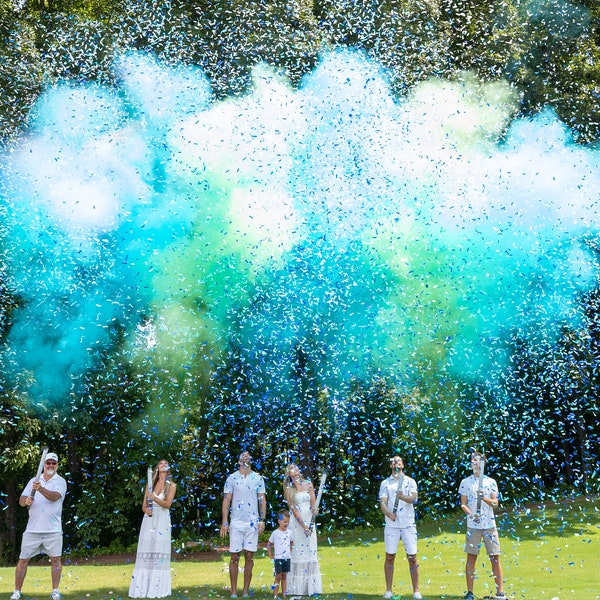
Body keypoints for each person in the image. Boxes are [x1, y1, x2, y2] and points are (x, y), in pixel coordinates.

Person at [10, 451, 67, 600]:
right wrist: (26, 501)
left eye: (54, 463)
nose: (51, 465)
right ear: (44, 464)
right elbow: (21, 499)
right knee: (23, 560)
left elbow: (54, 497)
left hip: (53, 529)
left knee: (56, 559)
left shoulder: (60, 481)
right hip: (33, 529)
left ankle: (55, 590)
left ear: (57, 465)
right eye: (48, 463)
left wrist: (40, 488)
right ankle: (17, 591)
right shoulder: (33, 480)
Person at [220, 451, 267, 598]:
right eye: (243, 455)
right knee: (234, 556)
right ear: (239, 460)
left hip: (252, 522)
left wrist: (262, 520)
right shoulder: (232, 478)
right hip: (236, 522)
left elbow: (262, 500)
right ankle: (234, 591)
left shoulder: (258, 478)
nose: (246, 456)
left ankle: (246, 591)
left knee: (249, 556)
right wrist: (224, 522)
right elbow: (226, 500)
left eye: (248, 455)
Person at [459, 452, 505, 600]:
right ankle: (470, 592)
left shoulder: (491, 482)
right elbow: (463, 504)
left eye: (477, 459)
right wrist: (472, 515)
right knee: (471, 558)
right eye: (472, 459)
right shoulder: (465, 482)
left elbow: (495, 503)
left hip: (489, 524)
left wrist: (483, 497)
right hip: (473, 526)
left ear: (483, 463)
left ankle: (500, 592)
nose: (474, 461)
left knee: (495, 558)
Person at [129, 459, 177, 598]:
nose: (163, 465)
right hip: (149, 521)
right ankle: (143, 588)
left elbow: (167, 504)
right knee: (147, 548)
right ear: (157, 467)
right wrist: (146, 510)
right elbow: (144, 505)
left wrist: (154, 498)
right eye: (160, 463)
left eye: (165, 464)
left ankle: (158, 588)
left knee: (159, 548)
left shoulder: (171, 485)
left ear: (168, 468)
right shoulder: (150, 485)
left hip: (162, 520)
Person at [378, 455, 422, 600]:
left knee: (413, 558)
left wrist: (402, 497)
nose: (396, 463)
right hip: (392, 525)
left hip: (408, 525)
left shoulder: (410, 481)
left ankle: (416, 591)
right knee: (390, 557)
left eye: (399, 461)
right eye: (393, 461)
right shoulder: (385, 483)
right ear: (391, 466)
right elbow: (383, 502)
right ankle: (389, 590)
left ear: (402, 465)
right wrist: (388, 513)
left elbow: (414, 498)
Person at [283, 463, 322, 596]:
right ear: (289, 473)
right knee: (298, 553)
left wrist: (314, 510)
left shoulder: (309, 484)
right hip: (297, 524)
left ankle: (311, 588)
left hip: (309, 521)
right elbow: (293, 509)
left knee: (310, 552)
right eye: (291, 468)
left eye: (296, 467)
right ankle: (296, 588)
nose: (295, 469)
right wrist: (304, 526)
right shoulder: (288, 489)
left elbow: (313, 503)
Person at [267, 509, 293, 599]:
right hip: (278, 558)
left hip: (287, 558)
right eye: (284, 522)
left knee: (284, 576)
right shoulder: (275, 533)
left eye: (287, 522)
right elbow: (269, 544)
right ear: (279, 521)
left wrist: (290, 550)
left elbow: (291, 542)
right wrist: (270, 554)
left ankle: (284, 594)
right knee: (278, 576)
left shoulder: (290, 532)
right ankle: (275, 594)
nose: (286, 524)